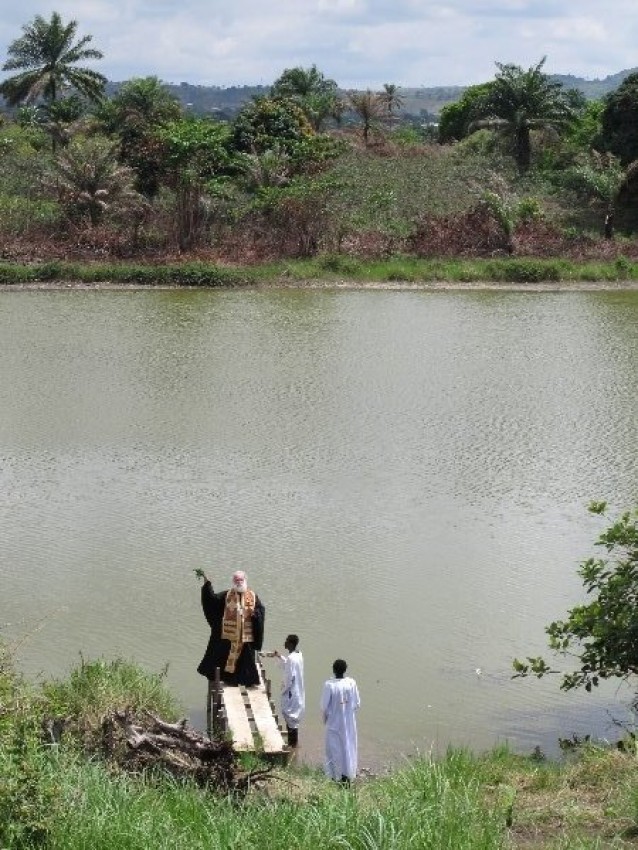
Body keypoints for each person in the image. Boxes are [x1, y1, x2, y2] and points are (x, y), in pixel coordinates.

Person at [196, 569, 265, 687]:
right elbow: (211, 601)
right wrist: (207, 585)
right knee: (225, 658)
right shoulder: (226, 595)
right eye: (236, 580)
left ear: (245, 580)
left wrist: (256, 615)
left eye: (241, 580)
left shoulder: (253, 596)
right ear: (233, 581)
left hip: (245, 637)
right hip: (229, 636)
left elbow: (260, 610)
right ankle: (228, 679)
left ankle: (247, 681)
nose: (239, 582)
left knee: (245, 661)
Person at [320, 658, 360, 784]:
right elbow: (357, 703)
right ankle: (348, 774)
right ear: (345, 670)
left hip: (334, 725)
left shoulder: (329, 685)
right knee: (348, 747)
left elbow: (324, 707)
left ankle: (335, 776)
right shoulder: (351, 683)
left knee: (334, 750)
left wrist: (325, 719)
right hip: (348, 724)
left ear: (333, 670)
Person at [263, 634, 305, 748]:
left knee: (290, 720)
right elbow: (288, 666)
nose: (284, 643)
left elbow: (289, 677)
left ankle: (292, 746)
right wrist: (279, 656)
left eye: (286, 641)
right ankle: (293, 748)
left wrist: (283, 690)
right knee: (293, 721)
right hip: (297, 692)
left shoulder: (292, 658)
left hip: (292, 693)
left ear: (290, 643)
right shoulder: (298, 655)